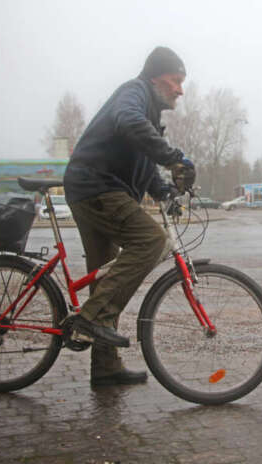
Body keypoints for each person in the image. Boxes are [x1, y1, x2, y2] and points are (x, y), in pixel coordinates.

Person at [63, 46, 194, 386]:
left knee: (107, 281)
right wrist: (174, 158)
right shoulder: (133, 94)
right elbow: (128, 122)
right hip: (98, 188)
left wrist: (164, 191)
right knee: (151, 241)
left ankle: (105, 367)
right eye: (176, 80)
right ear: (156, 78)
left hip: (92, 188)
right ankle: (89, 318)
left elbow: (143, 162)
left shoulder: (147, 113)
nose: (180, 89)